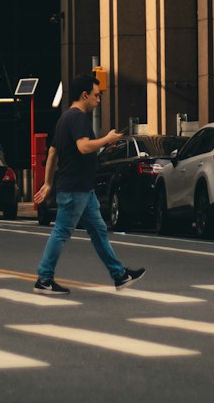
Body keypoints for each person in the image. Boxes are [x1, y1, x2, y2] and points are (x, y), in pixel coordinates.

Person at [32, 71, 146, 295]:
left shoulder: (65, 118)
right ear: (85, 95)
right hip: (75, 188)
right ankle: (44, 278)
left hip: (82, 189)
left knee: (99, 231)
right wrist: (108, 139)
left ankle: (119, 275)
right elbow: (83, 147)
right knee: (62, 232)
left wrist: (47, 183)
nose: (98, 99)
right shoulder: (77, 118)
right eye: (96, 95)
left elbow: (53, 151)